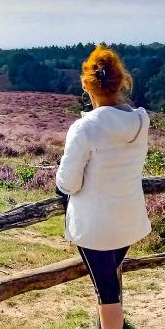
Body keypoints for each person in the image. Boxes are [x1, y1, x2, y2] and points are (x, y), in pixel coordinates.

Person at [56, 45, 151, 329]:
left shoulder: (85, 128)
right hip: (128, 220)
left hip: (94, 226)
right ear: (121, 82)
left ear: (87, 86)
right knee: (110, 284)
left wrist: (59, 182)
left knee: (107, 292)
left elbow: (68, 182)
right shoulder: (141, 121)